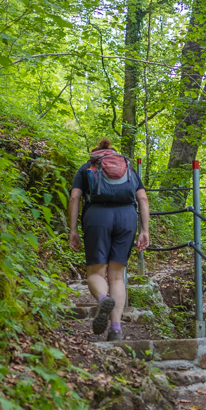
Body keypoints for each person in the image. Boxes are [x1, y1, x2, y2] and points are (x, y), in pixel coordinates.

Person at [68, 139, 150, 341]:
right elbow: (143, 198)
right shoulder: (128, 167)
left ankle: (104, 298)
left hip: (97, 216)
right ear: (113, 152)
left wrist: (73, 230)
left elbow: (74, 197)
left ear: (96, 152)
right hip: (127, 217)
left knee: (96, 272)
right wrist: (144, 230)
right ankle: (115, 329)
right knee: (117, 277)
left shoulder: (87, 167)